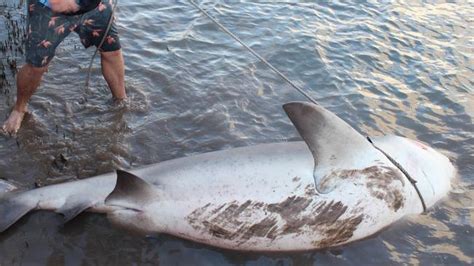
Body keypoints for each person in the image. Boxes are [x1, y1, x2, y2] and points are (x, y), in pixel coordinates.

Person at [2, 0, 126, 135]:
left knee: (112, 52)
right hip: (48, 8)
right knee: (36, 66)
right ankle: (19, 109)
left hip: (96, 5)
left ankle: (121, 100)